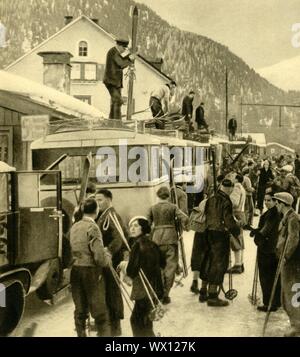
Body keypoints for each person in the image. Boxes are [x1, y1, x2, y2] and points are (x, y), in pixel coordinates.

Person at [69, 198, 112, 337]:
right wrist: (107, 259)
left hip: (76, 270)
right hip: (91, 272)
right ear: (97, 210)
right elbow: (99, 257)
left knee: (80, 310)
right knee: (100, 311)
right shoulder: (93, 228)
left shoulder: (74, 226)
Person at [202, 179, 240, 307]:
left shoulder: (211, 198)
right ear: (229, 188)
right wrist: (236, 231)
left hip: (209, 233)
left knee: (210, 261)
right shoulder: (226, 201)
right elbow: (228, 219)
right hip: (220, 235)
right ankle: (213, 296)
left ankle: (206, 291)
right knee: (219, 264)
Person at [148, 186, 189, 304]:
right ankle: (166, 294)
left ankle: (158, 292)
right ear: (169, 196)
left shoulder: (153, 208)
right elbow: (184, 218)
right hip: (171, 238)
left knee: (158, 266)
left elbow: (147, 224)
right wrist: (184, 227)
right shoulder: (173, 207)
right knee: (170, 267)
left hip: (156, 238)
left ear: (157, 196)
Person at [126, 217, 165, 337]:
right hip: (155, 287)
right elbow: (163, 263)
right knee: (146, 320)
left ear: (143, 228)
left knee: (136, 321)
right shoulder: (152, 243)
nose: (132, 228)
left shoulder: (137, 245)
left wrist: (125, 266)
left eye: (136, 226)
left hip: (144, 289)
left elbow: (131, 270)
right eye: (131, 226)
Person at [95, 189, 127, 336]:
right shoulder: (104, 215)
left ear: (108, 199)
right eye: (96, 200)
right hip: (106, 262)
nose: (98, 203)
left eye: (100, 199)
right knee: (107, 293)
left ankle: (115, 328)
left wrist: (108, 252)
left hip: (111, 262)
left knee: (112, 293)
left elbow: (118, 239)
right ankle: (110, 326)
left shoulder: (112, 215)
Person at [250, 192, 281, 312]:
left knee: (266, 277)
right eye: (265, 200)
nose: (266, 202)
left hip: (267, 249)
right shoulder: (271, 213)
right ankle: (276, 301)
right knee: (273, 276)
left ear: (275, 202)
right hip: (270, 249)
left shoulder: (273, 215)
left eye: (269, 200)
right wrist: (256, 231)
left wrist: (255, 232)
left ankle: (269, 303)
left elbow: (266, 230)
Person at [274, 192, 300, 337]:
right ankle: (294, 323)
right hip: (287, 261)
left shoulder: (293, 218)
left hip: (293, 263)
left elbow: (294, 238)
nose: (276, 205)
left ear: (282, 204)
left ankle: (297, 326)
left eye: (277, 203)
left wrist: (286, 256)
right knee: (286, 293)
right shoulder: (286, 218)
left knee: (293, 293)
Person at [103, 38, 135, 120]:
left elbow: (122, 58)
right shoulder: (114, 52)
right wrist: (130, 60)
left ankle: (112, 121)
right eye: (123, 48)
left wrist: (128, 56)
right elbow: (121, 64)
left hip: (115, 82)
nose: (124, 50)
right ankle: (117, 122)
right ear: (119, 46)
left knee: (115, 102)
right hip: (112, 82)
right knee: (118, 101)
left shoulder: (115, 51)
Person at [228, 173, 246, 274]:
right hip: (241, 213)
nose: (231, 178)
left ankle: (237, 264)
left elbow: (234, 202)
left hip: (235, 214)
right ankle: (240, 263)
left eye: (232, 177)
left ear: (236, 179)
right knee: (239, 238)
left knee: (235, 239)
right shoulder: (241, 187)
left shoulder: (236, 187)